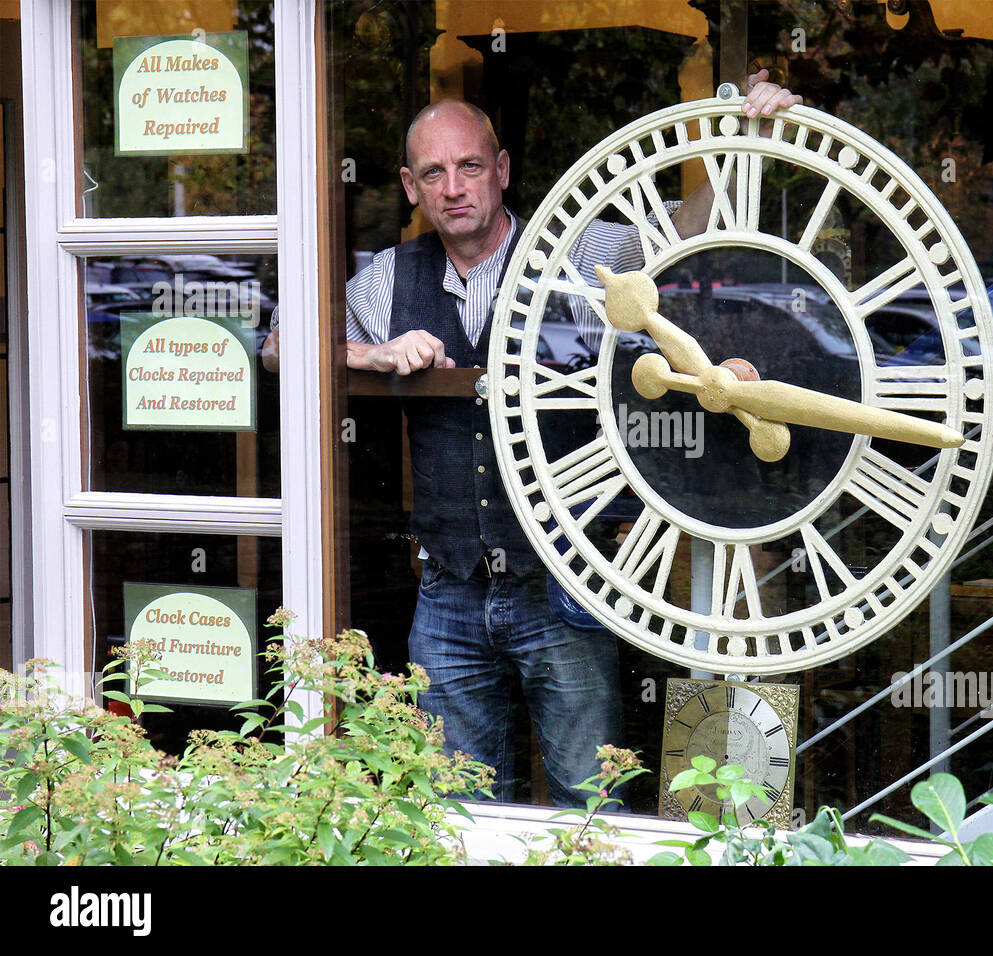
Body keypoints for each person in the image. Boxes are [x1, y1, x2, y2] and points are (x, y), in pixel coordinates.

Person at [267, 72, 802, 806]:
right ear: (411, 187)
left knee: (594, 808)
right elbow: (277, 347)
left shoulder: (582, 253)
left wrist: (745, 138)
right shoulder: (386, 283)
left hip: (566, 588)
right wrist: (368, 355)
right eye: (434, 172)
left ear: (503, 170)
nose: (454, 187)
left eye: (470, 166)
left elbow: (689, 231)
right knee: (456, 816)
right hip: (448, 593)